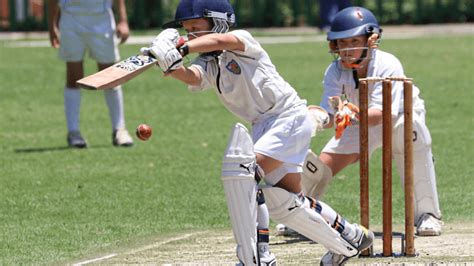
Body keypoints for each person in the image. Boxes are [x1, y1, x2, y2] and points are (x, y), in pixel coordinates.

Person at [143, 0, 374, 264]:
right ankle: (350, 237)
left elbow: (223, 40)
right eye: (186, 30)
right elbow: (193, 77)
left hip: (287, 116)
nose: (190, 34)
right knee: (286, 202)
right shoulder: (210, 63)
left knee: (244, 175)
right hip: (264, 125)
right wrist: (170, 66)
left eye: (195, 27)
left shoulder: (242, 40)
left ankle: (260, 254)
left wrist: (181, 46)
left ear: (218, 21)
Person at [309, 6, 442, 237]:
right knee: (317, 169)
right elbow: (331, 112)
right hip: (358, 119)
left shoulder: (388, 63)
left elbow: (384, 115)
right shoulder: (334, 70)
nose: (347, 49)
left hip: (400, 115)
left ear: (372, 39)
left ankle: (427, 215)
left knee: (411, 136)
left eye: (353, 41)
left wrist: (347, 113)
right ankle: (302, 214)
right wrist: (317, 118)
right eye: (342, 43)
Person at [48, 0, 134, 148]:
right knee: (74, 77)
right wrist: (52, 25)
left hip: (102, 18)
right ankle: (74, 132)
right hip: (71, 18)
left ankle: (119, 129)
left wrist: (123, 21)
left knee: (110, 77)